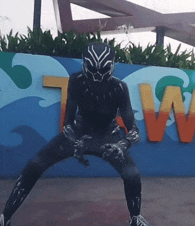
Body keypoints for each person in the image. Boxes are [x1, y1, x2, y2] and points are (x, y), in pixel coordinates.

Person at [0, 42, 150, 226]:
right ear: (84, 66)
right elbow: (68, 122)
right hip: (80, 133)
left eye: (102, 71)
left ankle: (135, 218)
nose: (97, 78)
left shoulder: (119, 88)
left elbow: (133, 130)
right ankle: (4, 217)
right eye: (92, 71)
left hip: (108, 138)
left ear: (111, 68)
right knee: (34, 165)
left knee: (132, 175)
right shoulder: (76, 81)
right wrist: (74, 139)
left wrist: (121, 145)